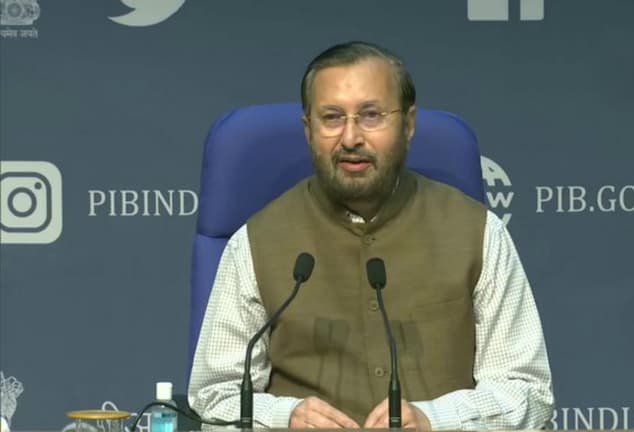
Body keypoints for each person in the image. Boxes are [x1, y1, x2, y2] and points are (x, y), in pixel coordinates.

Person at [188, 41, 554, 430]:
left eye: (371, 116)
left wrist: (435, 420)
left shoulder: (478, 233)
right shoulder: (256, 242)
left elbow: (528, 393)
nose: (350, 138)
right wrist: (285, 418)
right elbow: (215, 396)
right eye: (332, 118)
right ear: (308, 130)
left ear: (408, 125)